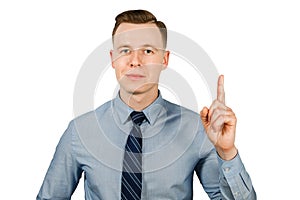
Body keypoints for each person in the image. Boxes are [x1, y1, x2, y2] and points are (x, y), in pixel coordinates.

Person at [37, 9, 256, 200]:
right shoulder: (80, 131)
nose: (135, 60)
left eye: (148, 51)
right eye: (125, 51)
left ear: (165, 60)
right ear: (113, 59)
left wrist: (227, 152)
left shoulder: (196, 128)